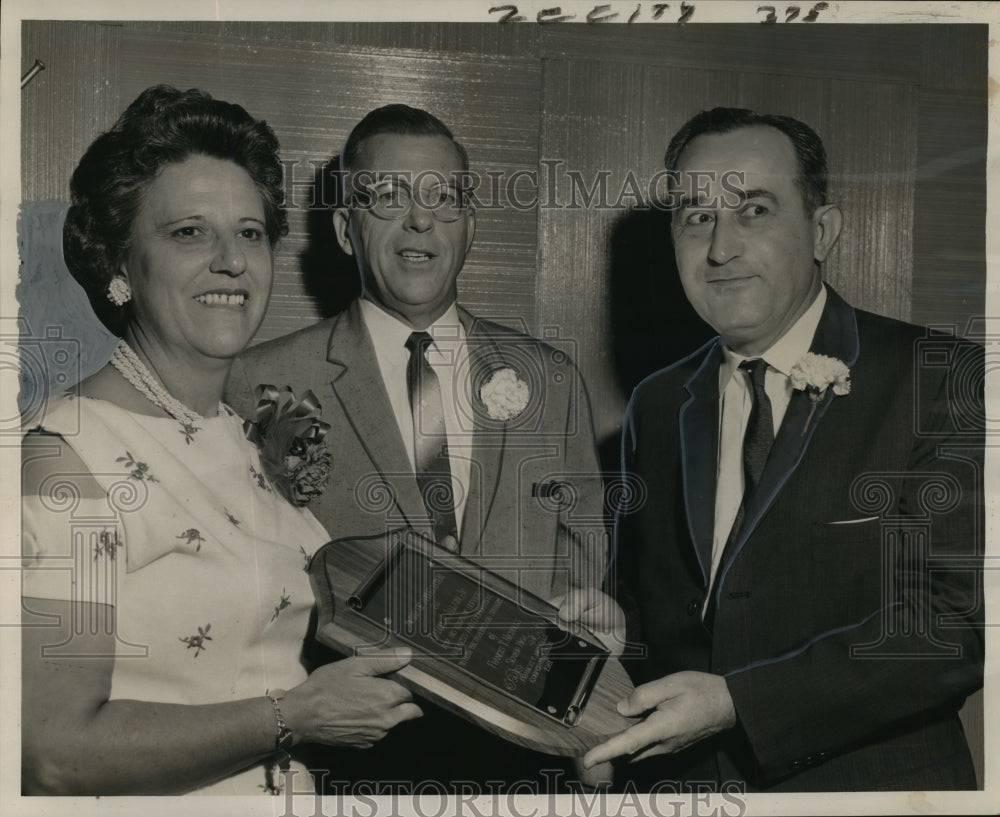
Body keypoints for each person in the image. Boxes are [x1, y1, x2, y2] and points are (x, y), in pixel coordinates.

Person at [20, 85, 421, 797]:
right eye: (189, 233)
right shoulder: (65, 459)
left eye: (250, 232)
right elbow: (53, 750)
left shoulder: (243, 435)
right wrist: (293, 717)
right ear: (119, 264)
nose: (232, 261)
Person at [584, 107, 984, 791]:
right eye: (696, 217)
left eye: (754, 210)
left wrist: (738, 703)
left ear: (821, 230)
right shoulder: (658, 401)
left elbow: (954, 627)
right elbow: (652, 598)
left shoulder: (944, 377)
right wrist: (609, 620)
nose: (720, 248)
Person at [225, 104, 610, 788]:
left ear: (469, 224)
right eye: (389, 197)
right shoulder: (263, 380)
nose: (421, 219)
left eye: (443, 197)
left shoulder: (550, 378)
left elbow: (584, 571)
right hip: (349, 765)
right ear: (346, 229)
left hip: (525, 766)